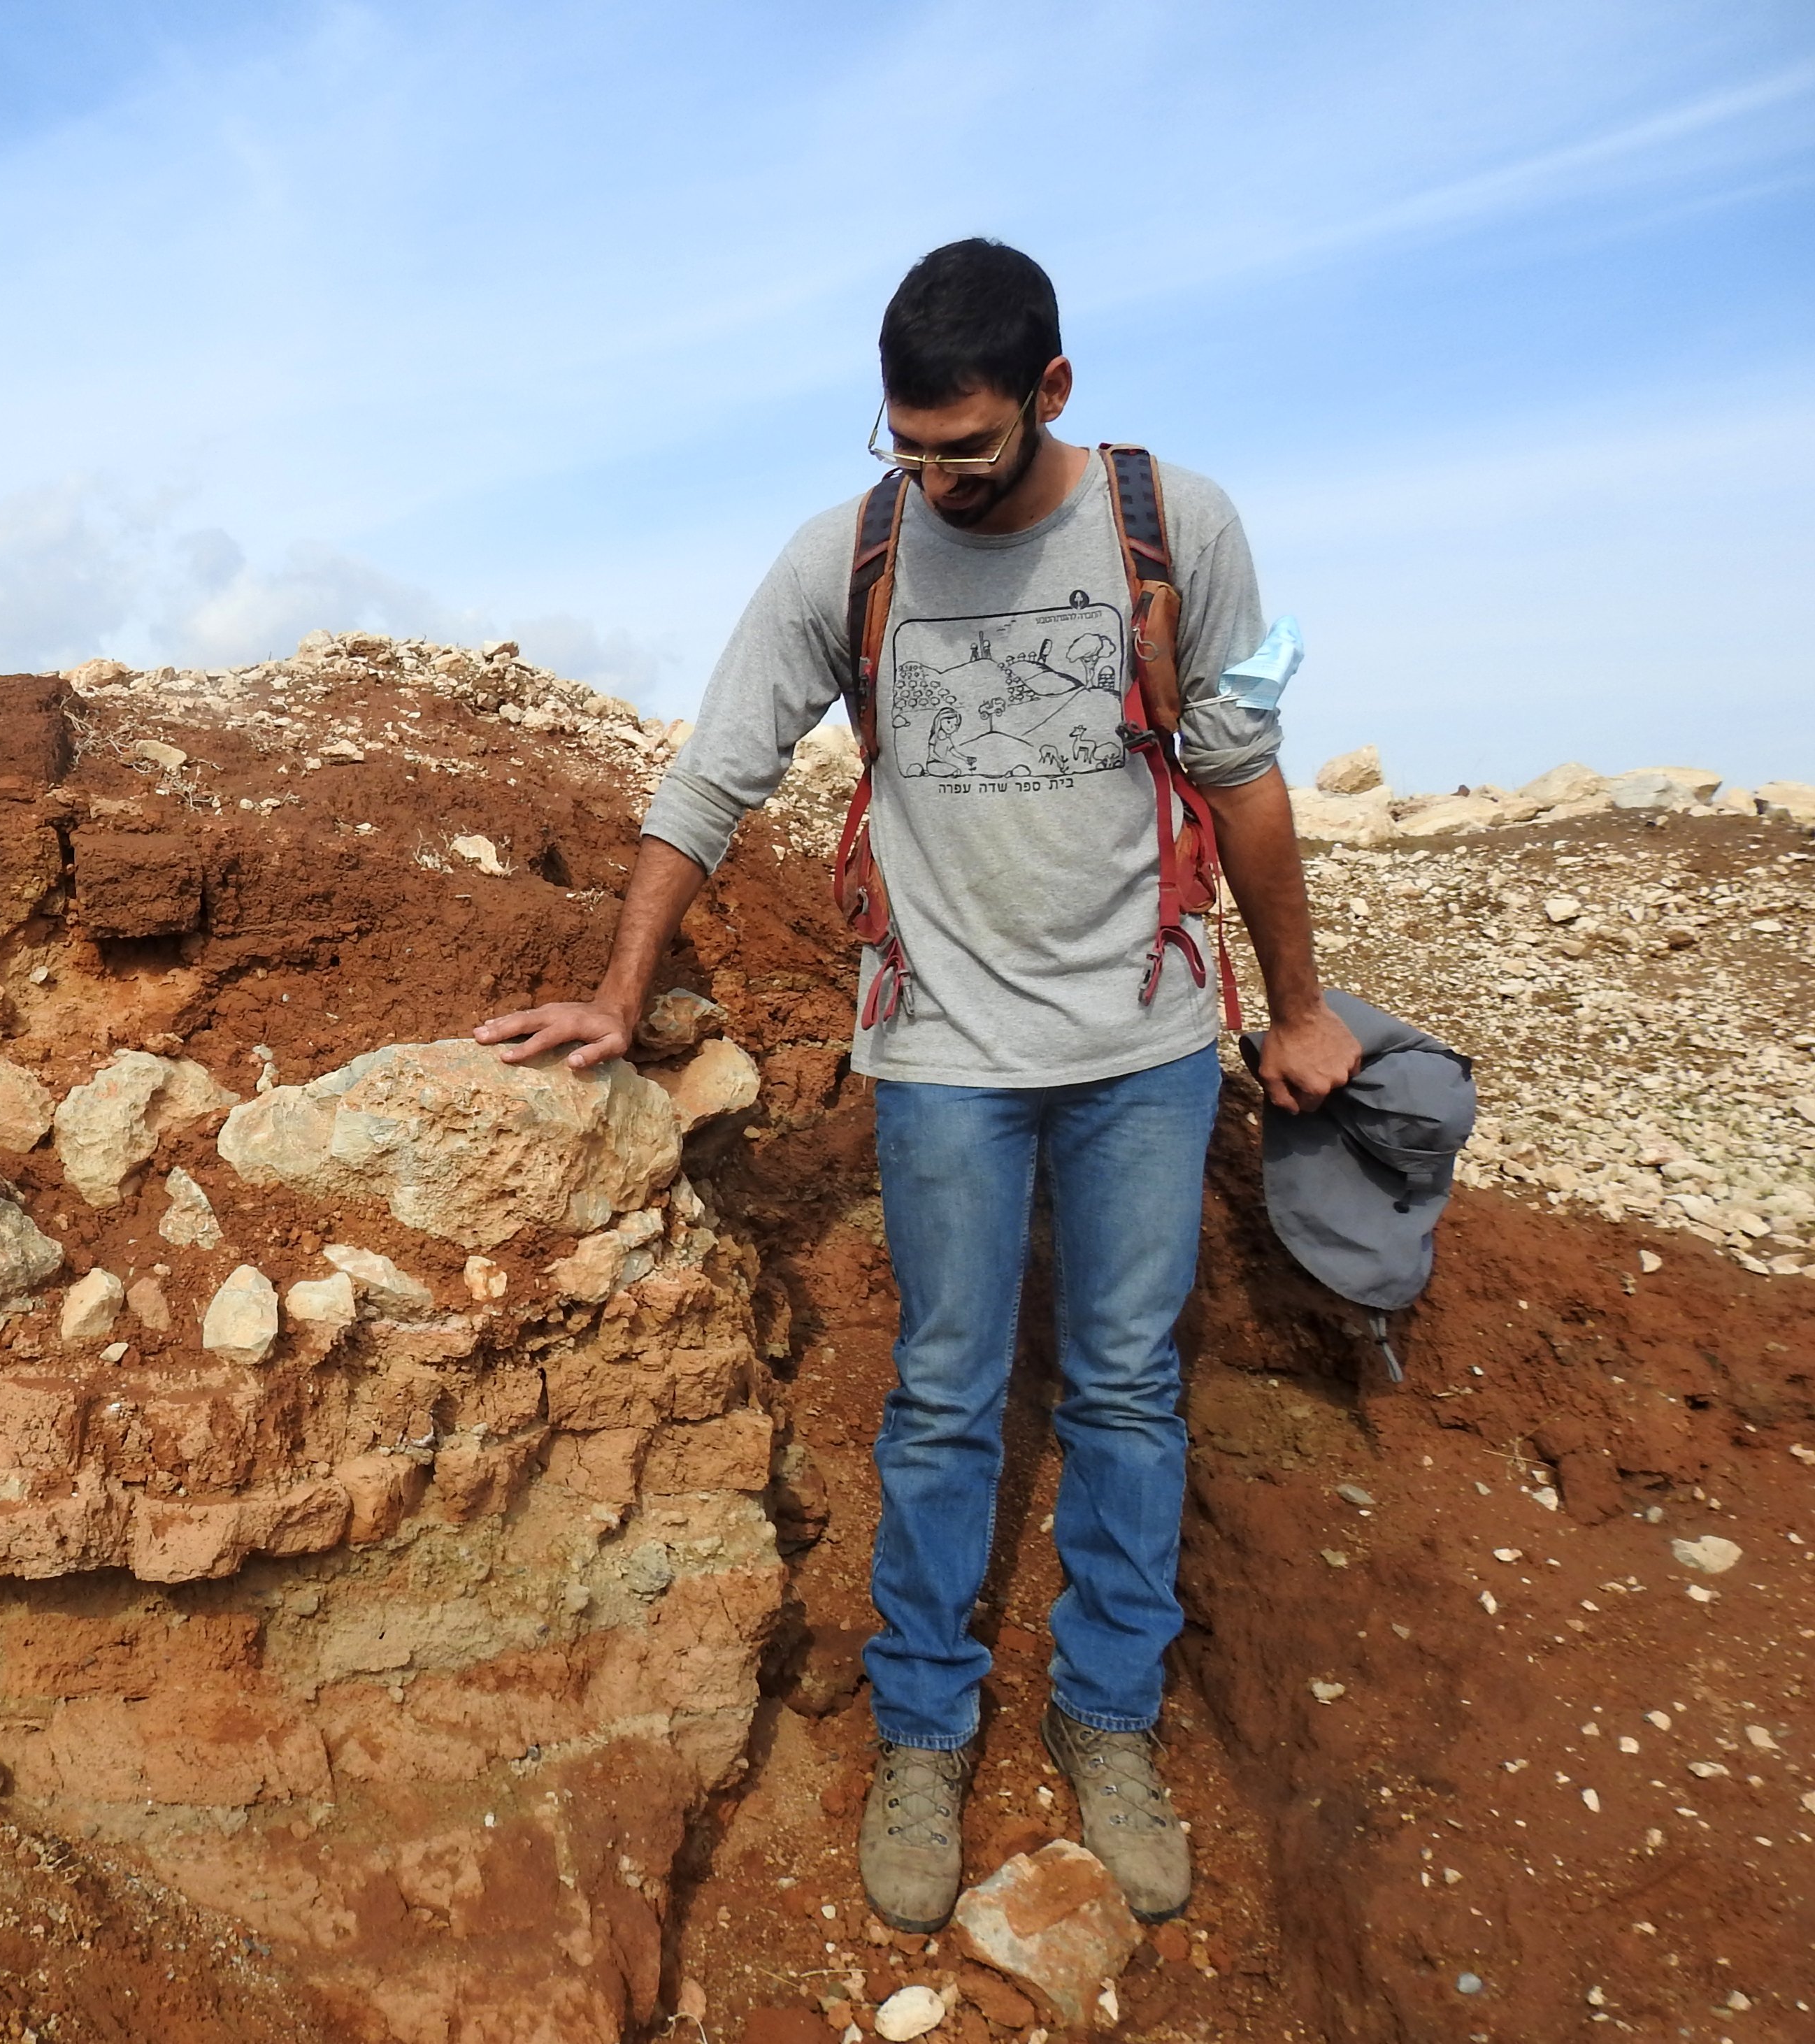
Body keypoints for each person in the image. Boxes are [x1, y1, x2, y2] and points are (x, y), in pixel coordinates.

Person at [474, 238, 1359, 1931]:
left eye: (971, 450)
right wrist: (613, 990)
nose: (939, 483)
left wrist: (1298, 1011)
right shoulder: (855, 551)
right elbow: (713, 769)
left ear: (1051, 394)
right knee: (946, 1393)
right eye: (905, 452)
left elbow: (1242, 777)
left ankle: (1108, 1720)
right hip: (941, 1055)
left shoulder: (1177, 525)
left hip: (1145, 1045)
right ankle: (922, 1730)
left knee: (1120, 1386)